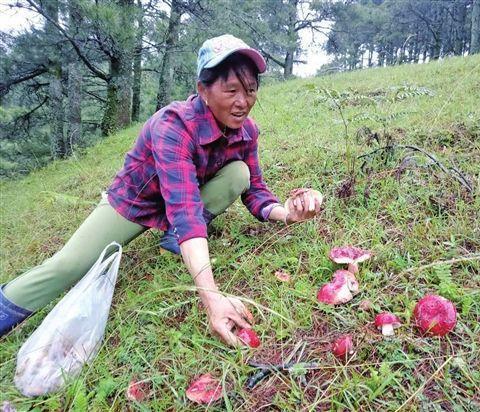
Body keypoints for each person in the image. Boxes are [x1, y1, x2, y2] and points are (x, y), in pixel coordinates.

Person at [0, 34, 323, 345]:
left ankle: (173, 242)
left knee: (238, 172)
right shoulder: (173, 126)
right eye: (231, 90)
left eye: (250, 90)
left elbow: (255, 191)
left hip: (187, 201)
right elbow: (185, 212)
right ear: (203, 90)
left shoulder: (247, 131)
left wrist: (287, 214)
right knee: (68, 266)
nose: (243, 102)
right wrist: (212, 299)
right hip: (135, 204)